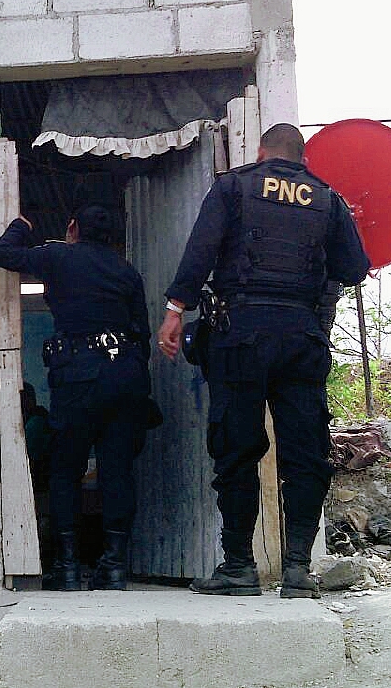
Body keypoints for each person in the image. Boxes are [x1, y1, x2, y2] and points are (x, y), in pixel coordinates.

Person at [156, 123, 370, 599]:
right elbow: (355, 269)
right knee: (306, 451)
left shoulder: (234, 186)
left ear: (261, 151)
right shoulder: (327, 199)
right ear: (302, 158)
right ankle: (297, 570)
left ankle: (238, 568)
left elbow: (201, 252)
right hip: (301, 337)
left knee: (236, 449)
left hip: (240, 333)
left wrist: (175, 311)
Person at [0, 205, 152, 591]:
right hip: (125, 375)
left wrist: (20, 225)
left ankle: (66, 567)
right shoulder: (127, 272)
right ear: (113, 236)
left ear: (73, 228)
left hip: (78, 375)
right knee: (117, 469)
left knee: (66, 469)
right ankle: (113, 569)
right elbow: (142, 335)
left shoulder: (58, 255)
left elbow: (2, 254)